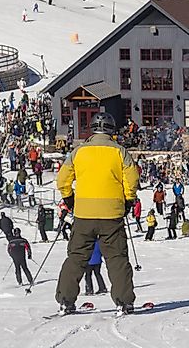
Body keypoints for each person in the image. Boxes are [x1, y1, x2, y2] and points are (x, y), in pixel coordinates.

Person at [55, 112, 139, 315]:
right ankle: (124, 301)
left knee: (76, 257)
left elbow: (62, 180)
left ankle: (66, 300)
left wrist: (69, 199)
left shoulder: (78, 152)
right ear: (111, 130)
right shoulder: (120, 152)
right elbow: (132, 179)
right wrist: (128, 200)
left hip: (84, 214)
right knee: (117, 258)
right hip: (112, 214)